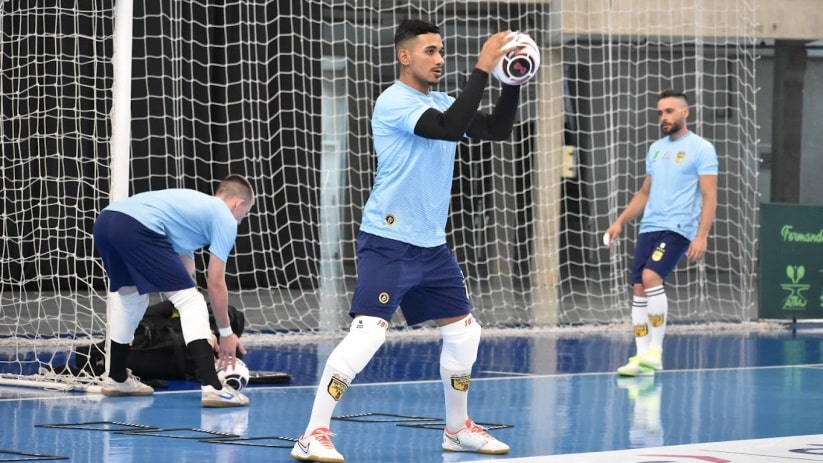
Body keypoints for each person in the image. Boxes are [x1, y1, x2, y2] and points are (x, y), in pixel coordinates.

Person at [290, 18, 523, 463]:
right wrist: (480, 69)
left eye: (441, 51)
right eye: (430, 51)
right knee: (367, 337)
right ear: (405, 56)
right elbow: (448, 128)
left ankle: (456, 429)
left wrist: (510, 81)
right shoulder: (395, 102)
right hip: (389, 241)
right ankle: (313, 433)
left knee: (465, 333)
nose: (439, 59)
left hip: (431, 246)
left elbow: (494, 129)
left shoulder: (441, 101)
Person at [92, 174, 255, 407]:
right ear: (238, 203)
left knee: (134, 303)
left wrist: (199, 334)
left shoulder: (190, 215)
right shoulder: (224, 216)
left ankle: (117, 378)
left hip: (106, 222)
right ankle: (214, 387)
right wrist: (226, 332)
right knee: (193, 302)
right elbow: (216, 282)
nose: (240, 221)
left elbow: (186, 276)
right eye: (244, 215)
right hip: (136, 225)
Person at [604, 89, 718, 377]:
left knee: (651, 276)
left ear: (685, 112)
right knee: (639, 287)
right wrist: (619, 222)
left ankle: (656, 351)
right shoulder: (655, 149)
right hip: (649, 227)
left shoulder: (702, 149)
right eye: (660, 113)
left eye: (669, 111)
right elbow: (644, 192)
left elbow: (710, 195)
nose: (664, 117)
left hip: (678, 228)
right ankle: (641, 358)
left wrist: (701, 235)